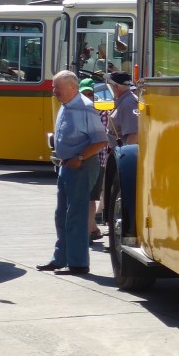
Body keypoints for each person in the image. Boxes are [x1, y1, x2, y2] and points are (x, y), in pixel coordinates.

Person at [37, 70, 108, 275]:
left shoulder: (85, 107)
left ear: (72, 87)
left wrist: (79, 158)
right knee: (61, 215)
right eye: (54, 87)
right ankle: (60, 259)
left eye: (57, 87)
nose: (54, 91)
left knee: (75, 215)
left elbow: (100, 140)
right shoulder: (65, 106)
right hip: (67, 165)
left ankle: (78, 263)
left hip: (81, 166)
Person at [79, 78, 111, 240]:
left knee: (89, 197)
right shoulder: (83, 110)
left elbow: (101, 137)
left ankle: (89, 231)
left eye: (90, 94)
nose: (87, 96)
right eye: (84, 93)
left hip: (95, 159)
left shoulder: (101, 111)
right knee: (88, 197)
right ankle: (91, 229)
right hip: (88, 158)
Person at [107, 71, 139, 147]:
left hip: (122, 152)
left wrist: (125, 153)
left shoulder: (128, 104)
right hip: (117, 150)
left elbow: (133, 135)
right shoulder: (124, 101)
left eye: (111, 85)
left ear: (116, 87)